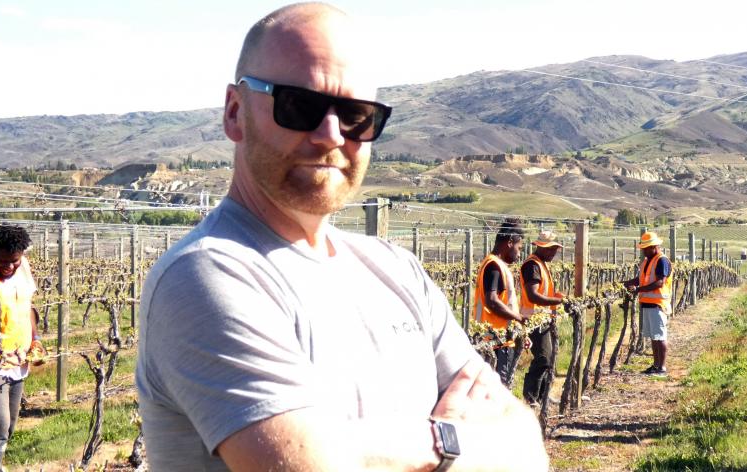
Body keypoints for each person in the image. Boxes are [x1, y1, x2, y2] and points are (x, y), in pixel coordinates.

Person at [135, 4, 547, 471]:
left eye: (356, 115)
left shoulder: (397, 271)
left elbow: (524, 449)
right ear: (235, 112)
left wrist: (357, 448)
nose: (331, 135)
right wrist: (446, 440)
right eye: (299, 106)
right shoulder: (208, 275)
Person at [0, 224, 43, 472]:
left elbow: (27, 306)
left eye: (15, 261)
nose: (9, 267)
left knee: (8, 428)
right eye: (3, 261)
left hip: (19, 363)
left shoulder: (24, 269)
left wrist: (36, 340)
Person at [472, 219, 525, 386]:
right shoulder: (494, 266)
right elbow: (492, 301)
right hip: (494, 340)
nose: (519, 253)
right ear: (509, 242)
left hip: (497, 338)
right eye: (519, 248)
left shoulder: (496, 265)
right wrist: (518, 317)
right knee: (496, 391)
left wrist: (518, 330)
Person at [519, 230, 565, 405]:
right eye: (552, 249)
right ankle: (531, 396)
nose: (554, 253)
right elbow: (533, 296)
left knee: (548, 356)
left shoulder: (540, 264)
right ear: (542, 248)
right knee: (543, 357)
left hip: (543, 318)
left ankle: (543, 395)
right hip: (534, 319)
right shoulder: (532, 266)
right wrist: (558, 300)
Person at [623, 232, 672, 377]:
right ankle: (655, 365)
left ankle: (661, 368)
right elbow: (641, 279)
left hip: (658, 303)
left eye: (646, 248)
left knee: (660, 336)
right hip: (647, 303)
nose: (644, 250)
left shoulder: (661, 260)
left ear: (654, 247)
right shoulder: (647, 261)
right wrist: (628, 283)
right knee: (654, 337)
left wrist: (638, 290)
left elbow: (659, 282)